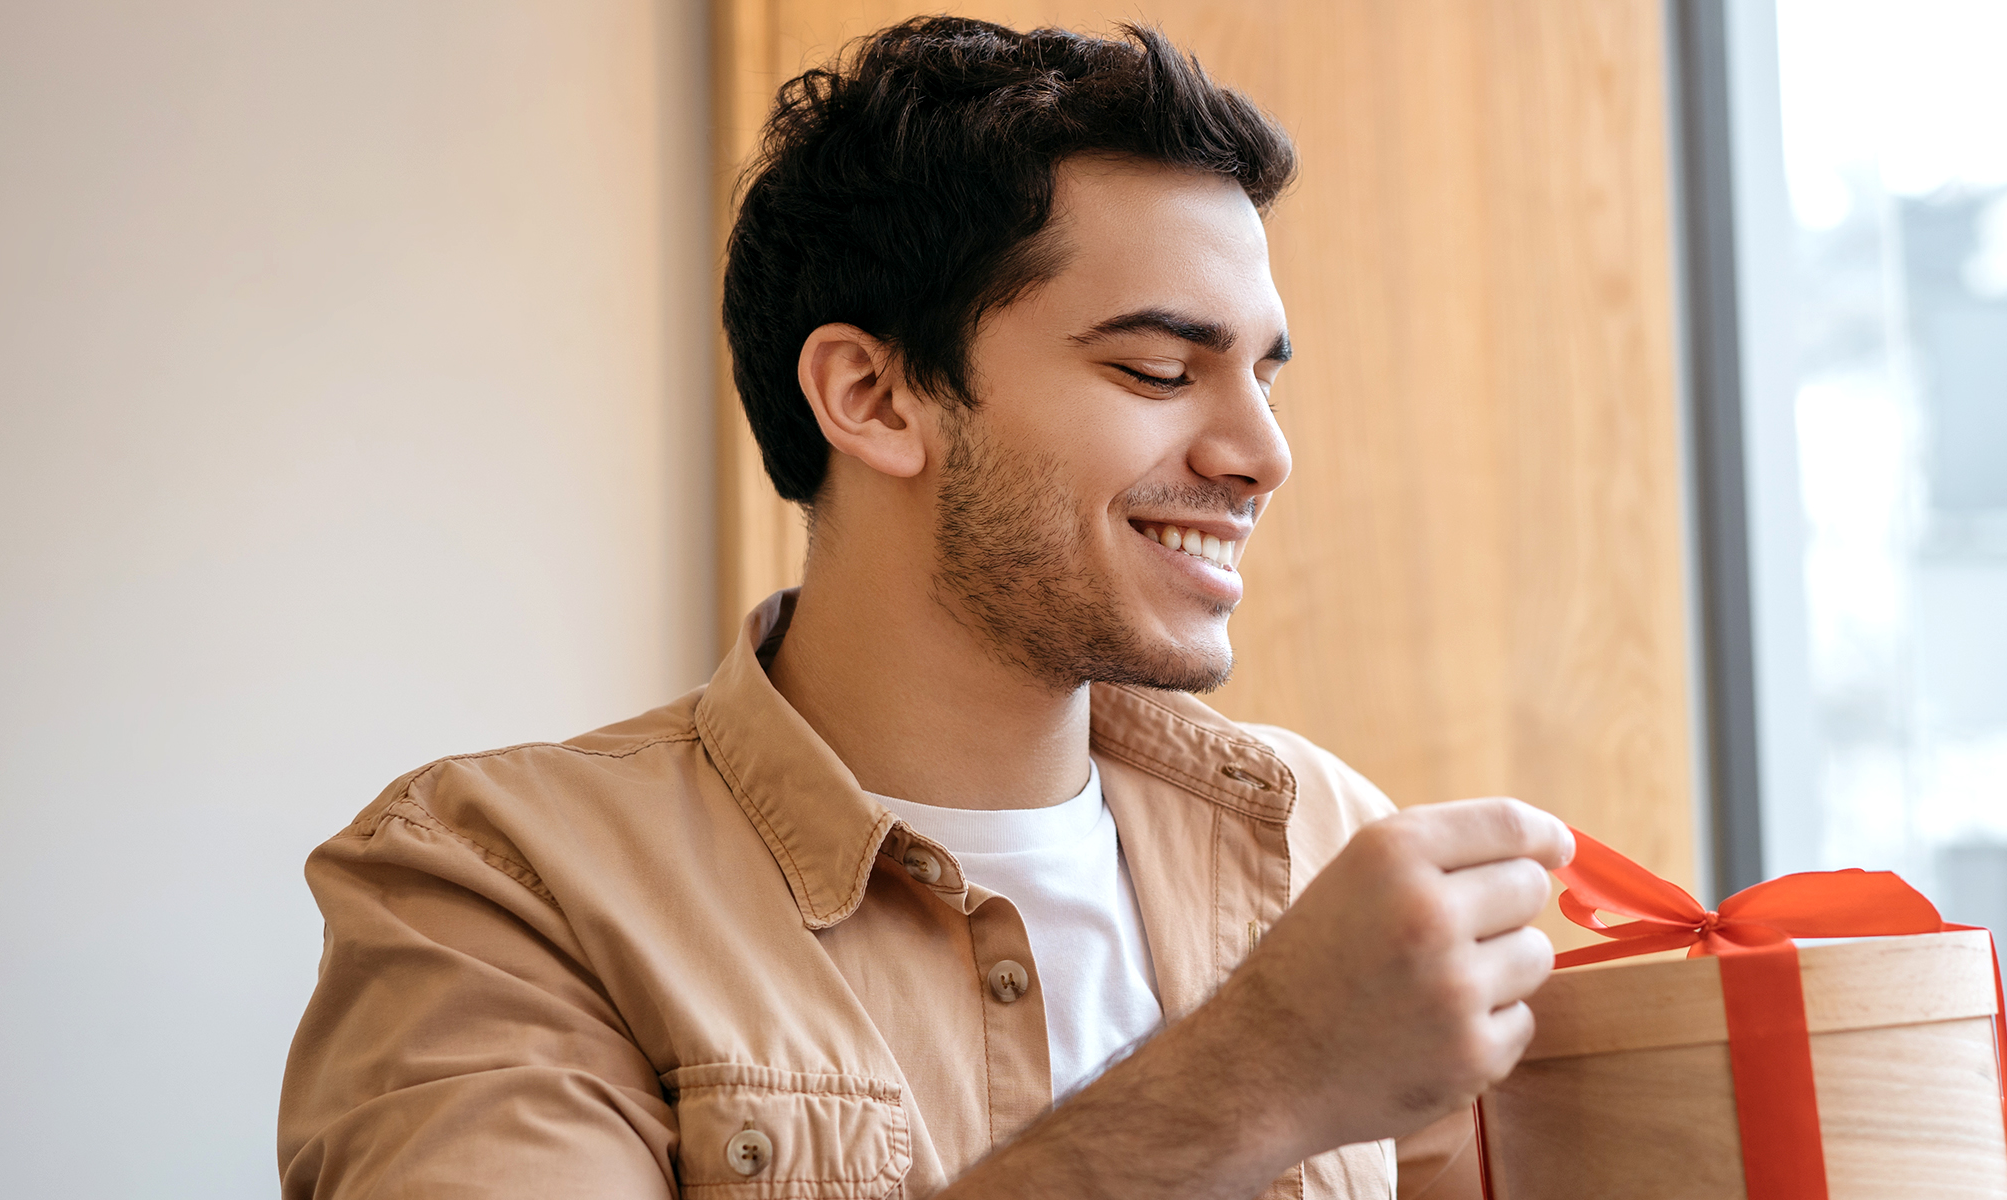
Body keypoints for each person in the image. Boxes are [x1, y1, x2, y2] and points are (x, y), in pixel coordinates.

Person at [277, 17, 1573, 1200]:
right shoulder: (497, 889)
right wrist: (1256, 1077)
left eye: (1264, 381)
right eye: (1160, 367)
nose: (1260, 454)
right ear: (876, 399)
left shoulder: (1329, 847)